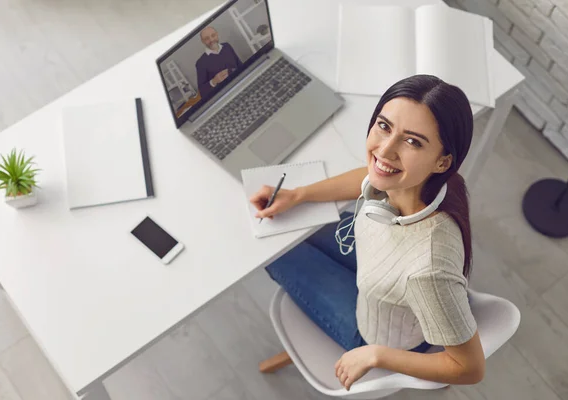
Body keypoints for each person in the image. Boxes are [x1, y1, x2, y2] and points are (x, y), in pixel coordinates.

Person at [250, 75, 485, 390]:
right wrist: (299, 195)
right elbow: (374, 173)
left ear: (443, 161)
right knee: (286, 230)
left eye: (413, 141)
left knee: (268, 251)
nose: (386, 150)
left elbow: (469, 368)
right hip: (378, 277)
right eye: (384, 126)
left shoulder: (428, 271)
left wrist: (376, 355)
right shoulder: (423, 184)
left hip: (374, 333)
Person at [195, 26, 243, 99]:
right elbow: (202, 92)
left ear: (217, 34)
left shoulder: (227, 46)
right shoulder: (200, 63)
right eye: (206, 38)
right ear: (203, 41)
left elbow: (240, 65)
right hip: (225, 96)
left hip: (241, 84)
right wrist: (214, 81)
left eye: (213, 35)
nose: (211, 40)